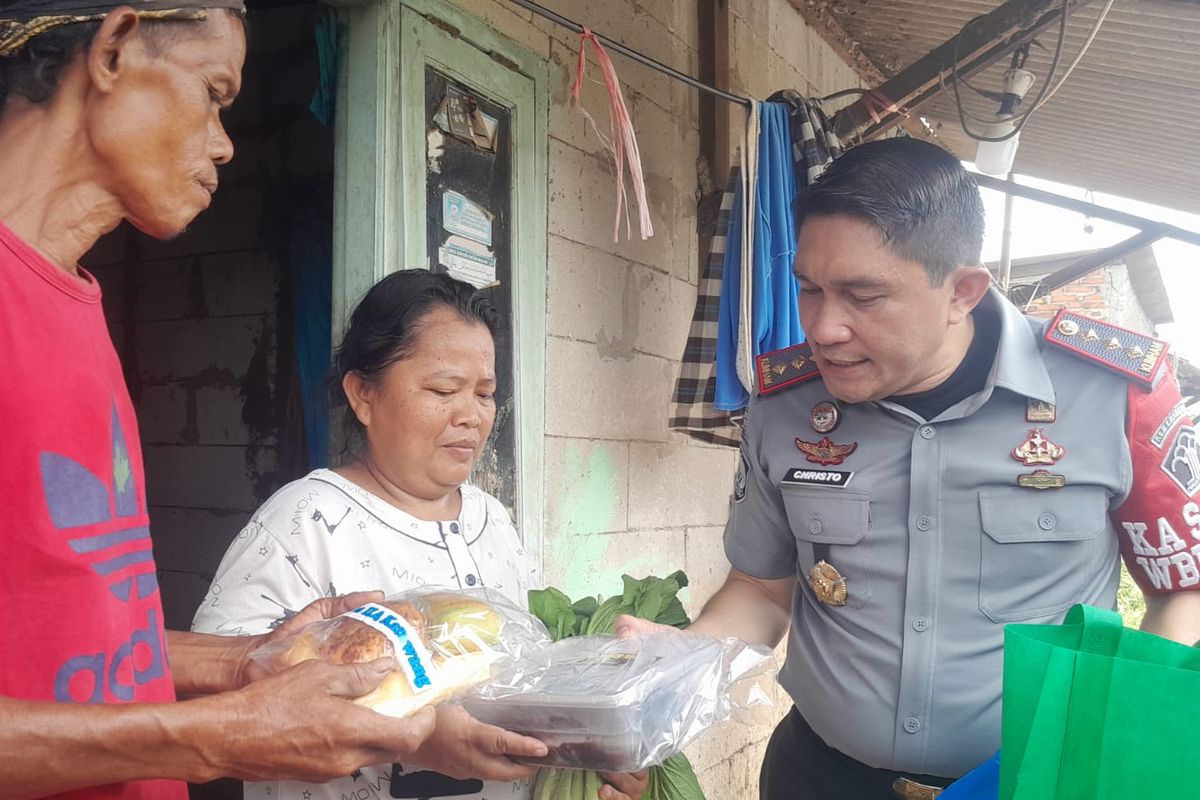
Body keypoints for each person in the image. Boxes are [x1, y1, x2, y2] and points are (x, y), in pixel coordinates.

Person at [618, 137, 1200, 799]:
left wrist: (1121, 736)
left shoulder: (1113, 394)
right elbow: (760, 590)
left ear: (962, 292)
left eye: (864, 296)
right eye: (809, 290)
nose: (824, 328)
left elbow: (1183, 589)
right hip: (821, 778)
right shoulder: (785, 406)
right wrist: (680, 667)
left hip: (1029, 783)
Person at [0, 5, 438, 797]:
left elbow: (79, 639)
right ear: (113, 51)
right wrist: (216, 737)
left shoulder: (75, 301)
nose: (225, 143)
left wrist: (246, 664)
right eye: (213, 92)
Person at [193, 269, 648, 800]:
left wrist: (591, 749)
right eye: (443, 390)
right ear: (364, 395)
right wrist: (414, 739)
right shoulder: (304, 519)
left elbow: (523, 674)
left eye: (485, 393)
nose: (471, 416)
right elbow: (222, 708)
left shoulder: (493, 519)